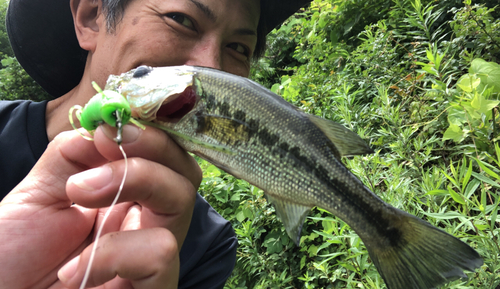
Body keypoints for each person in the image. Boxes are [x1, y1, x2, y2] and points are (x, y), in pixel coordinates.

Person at [0, 0, 311, 288]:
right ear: (91, 18)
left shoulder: (208, 247)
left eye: (238, 48)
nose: (210, 68)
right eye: (181, 20)